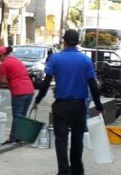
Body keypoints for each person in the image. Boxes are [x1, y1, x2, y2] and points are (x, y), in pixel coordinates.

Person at [32, 29, 104, 175]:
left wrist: (37, 100)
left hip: (61, 106)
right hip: (78, 106)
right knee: (77, 139)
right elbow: (93, 85)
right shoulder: (85, 60)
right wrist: (99, 106)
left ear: (63, 41)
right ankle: (77, 170)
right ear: (78, 42)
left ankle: (64, 171)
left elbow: (46, 83)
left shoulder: (55, 59)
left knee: (61, 140)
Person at [0, 46, 34, 145]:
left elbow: (2, 80)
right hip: (30, 90)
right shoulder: (15, 60)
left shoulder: (4, 64)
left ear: (2, 55)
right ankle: (20, 138)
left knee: (17, 116)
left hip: (19, 91)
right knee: (23, 116)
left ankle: (13, 139)